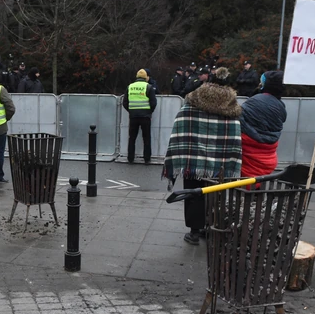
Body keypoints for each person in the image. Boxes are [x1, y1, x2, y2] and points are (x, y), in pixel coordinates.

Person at [164, 67, 242, 245]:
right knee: (216, 193)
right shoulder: (231, 107)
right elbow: (235, 135)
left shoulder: (193, 101)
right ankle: (211, 227)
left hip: (194, 160)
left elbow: (181, 125)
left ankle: (194, 231)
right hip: (221, 162)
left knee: (194, 192)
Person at [239, 71, 286, 178]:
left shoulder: (255, 101)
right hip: (268, 158)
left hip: (249, 156)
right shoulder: (281, 106)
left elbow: (240, 118)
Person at [122, 69, 157, 164]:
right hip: (145, 116)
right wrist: (149, 112)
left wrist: (131, 111)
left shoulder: (130, 87)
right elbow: (153, 103)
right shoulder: (148, 87)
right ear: (146, 77)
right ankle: (147, 159)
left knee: (132, 138)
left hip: (133, 116)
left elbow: (125, 102)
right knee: (146, 138)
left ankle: (130, 158)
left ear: (137, 77)